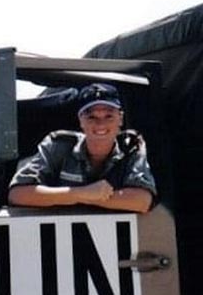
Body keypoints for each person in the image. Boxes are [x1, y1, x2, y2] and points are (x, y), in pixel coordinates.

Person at [8, 83, 156, 213]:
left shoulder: (130, 146)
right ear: (81, 121)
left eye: (109, 116)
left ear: (120, 119)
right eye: (91, 117)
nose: (100, 124)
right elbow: (17, 194)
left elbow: (142, 201)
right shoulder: (58, 145)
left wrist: (87, 197)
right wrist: (81, 193)